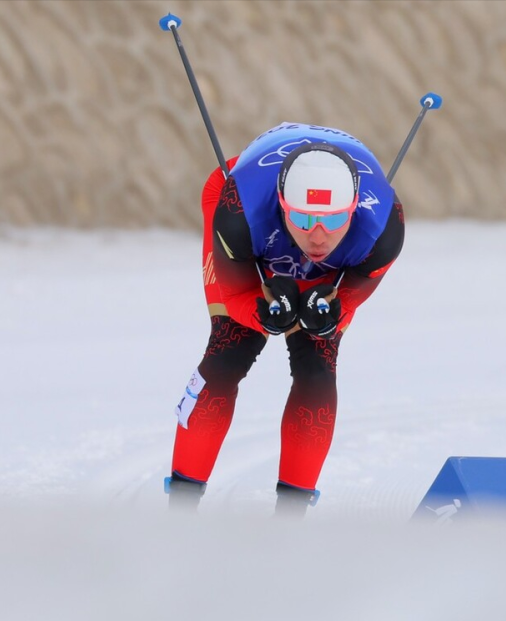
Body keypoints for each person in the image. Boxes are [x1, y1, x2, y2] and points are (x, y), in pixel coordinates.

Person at [166, 122, 405, 517]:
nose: (318, 237)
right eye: (304, 219)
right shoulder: (239, 210)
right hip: (246, 208)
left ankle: (291, 520)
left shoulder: (382, 227)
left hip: (307, 233)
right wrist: (263, 315)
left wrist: (330, 314)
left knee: (318, 361)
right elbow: (237, 295)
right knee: (228, 351)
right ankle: (179, 509)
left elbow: (349, 297)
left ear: (352, 210)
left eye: (332, 220)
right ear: (282, 204)